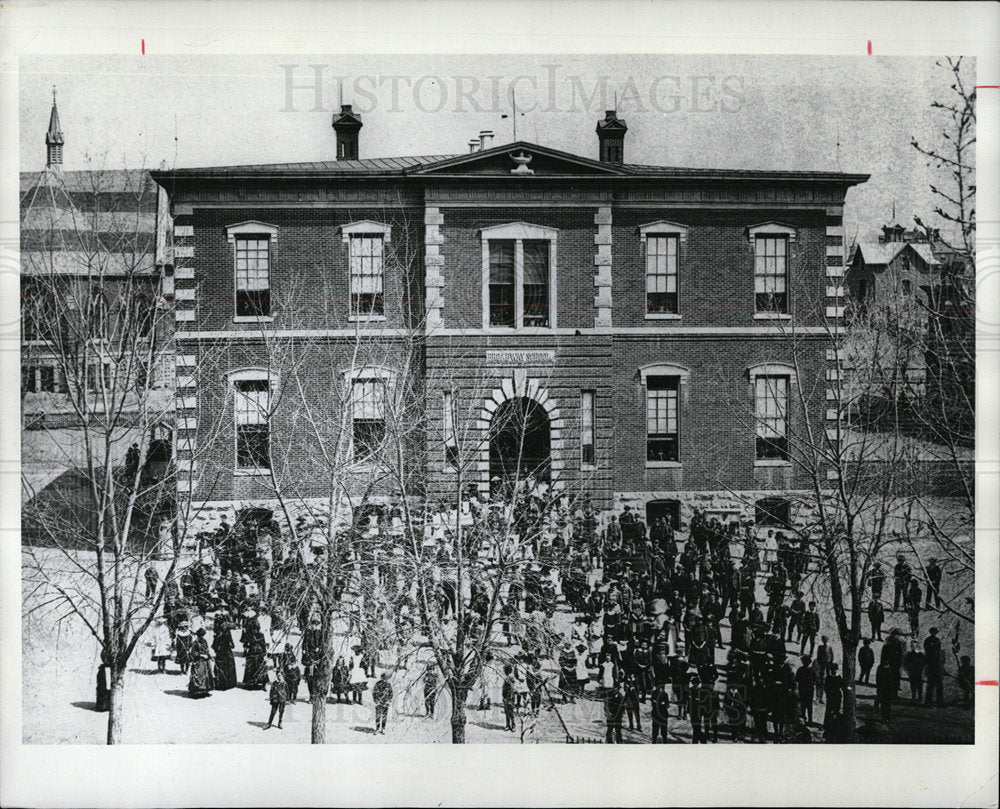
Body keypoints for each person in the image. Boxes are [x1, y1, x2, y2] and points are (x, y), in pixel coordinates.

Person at [212, 618, 238, 691]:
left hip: (220, 653)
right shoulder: (228, 633)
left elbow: (214, 645)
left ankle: (220, 683)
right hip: (227, 652)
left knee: (221, 667)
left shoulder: (218, 633)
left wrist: (216, 649)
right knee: (228, 667)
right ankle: (229, 683)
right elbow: (232, 645)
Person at [187, 627, 214, 698]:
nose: (203, 637)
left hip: (205, 662)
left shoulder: (205, 641)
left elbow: (207, 650)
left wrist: (210, 657)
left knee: (206, 676)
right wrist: (201, 655)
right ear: (198, 636)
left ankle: (205, 691)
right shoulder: (195, 643)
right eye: (201, 635)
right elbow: (192, 653)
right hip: (198, 661)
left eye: (203, 635)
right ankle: (196, 692)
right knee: (198, 676)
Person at [923, 627, 944, 707]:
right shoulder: (928, 640)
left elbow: (938, 651)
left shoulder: (936, 640)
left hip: (935, 664)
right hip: (931, 664)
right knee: (931, 685)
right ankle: (929, 702)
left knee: (938, 684)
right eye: (934, 632)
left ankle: (939, 702)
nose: (934, 633)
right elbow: (928, 651)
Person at [795, 654, 817, 725]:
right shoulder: (801, 670)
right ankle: (804, 719)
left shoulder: (810, 670)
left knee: (808, 705)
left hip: (808, 690)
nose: (805, 663)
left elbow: (815, 680)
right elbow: (797, 679)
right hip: (804, 689)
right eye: (804, 661)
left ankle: (809, 719)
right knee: (804, 705)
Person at [814, 635, 832, 703]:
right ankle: (817, 697)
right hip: (820, 667)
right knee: (818, 682)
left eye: (825, 640)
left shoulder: (829, 647)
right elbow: (818, 657)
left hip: (826, 667)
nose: (824, 641)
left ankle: (822, 697)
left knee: (824, 683)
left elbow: (831, 657)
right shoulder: (820, 647)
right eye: (823, 640)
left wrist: (829, 667)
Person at [502, 665, 517, 732]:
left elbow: (511, 689)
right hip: (505, 697)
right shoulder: (507, 677)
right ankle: (508, 725)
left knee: (510, 711)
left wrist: (508, 698)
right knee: (506, 711)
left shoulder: (510, 678)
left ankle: (513, 725)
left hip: (509, 697)